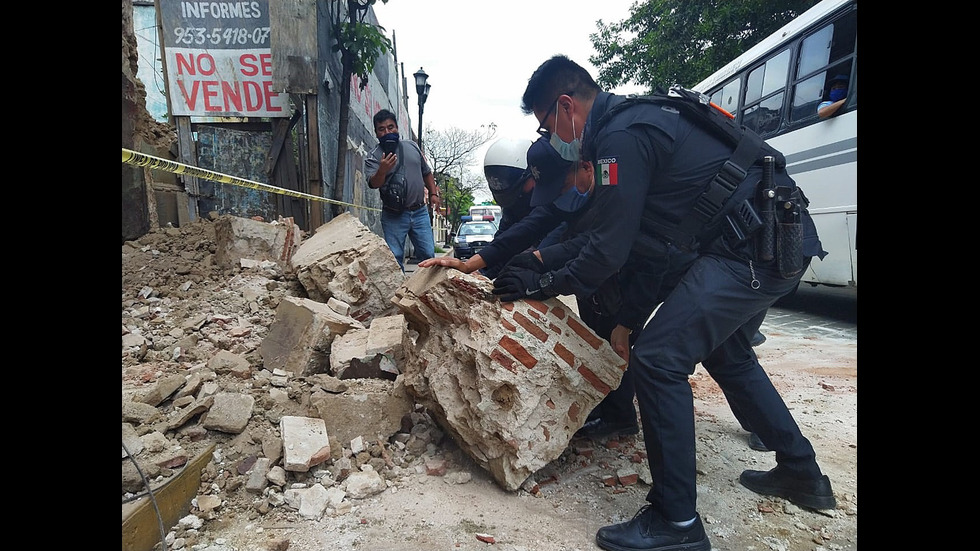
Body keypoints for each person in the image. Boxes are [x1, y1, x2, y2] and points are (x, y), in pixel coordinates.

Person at [490, 55, 834, 551]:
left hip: (752, 248)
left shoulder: (618, 139)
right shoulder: (634, 123)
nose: (553, 140)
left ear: (566, 106)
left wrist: (541, 284)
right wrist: (627, 319)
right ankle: (802, 472)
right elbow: (649, 248)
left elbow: (607, 251)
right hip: (774, 239)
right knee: (728, 354)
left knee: (657, 360)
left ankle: (676, 525)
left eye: (547, 127)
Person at [365, 109, 441, 271]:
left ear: (397, 128)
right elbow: (374, 183)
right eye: (382, 129)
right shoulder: (374, 156)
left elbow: (426, 172)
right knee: (394, 257)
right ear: (376, 133)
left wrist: (433, 194)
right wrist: (383, 169)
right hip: (393, 215)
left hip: (419, 211)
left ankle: (427, 291)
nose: (387, 132)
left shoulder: (412, 146)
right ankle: (398, 294)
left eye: (391, 127)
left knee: (428, 254)